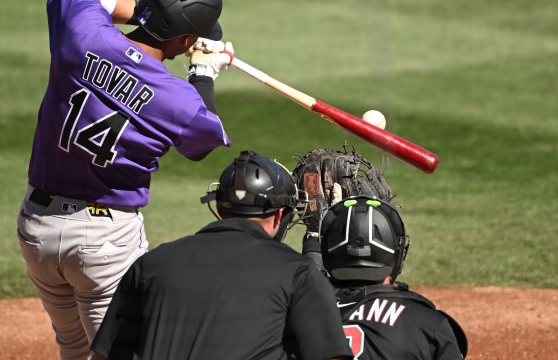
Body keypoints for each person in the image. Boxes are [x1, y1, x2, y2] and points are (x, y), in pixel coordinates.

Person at [17, 0, 234, 359]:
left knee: (75, 347)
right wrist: (204, 70)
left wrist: (149, 16)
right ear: (186, 41)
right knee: (124, 352)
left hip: (37, 228)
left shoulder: (82, 36)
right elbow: (203, 141)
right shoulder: (176, 100)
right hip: (103, 243)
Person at [90, 150, 353, 360]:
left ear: (219, 207)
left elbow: (105, 354)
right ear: (278, 216)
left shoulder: (151, 264)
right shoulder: (297, 272)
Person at [302, 194, 468, 359]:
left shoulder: (297, 315)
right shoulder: (428, 323)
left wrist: (312, 243)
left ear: (327, 253)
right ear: (397, 254)